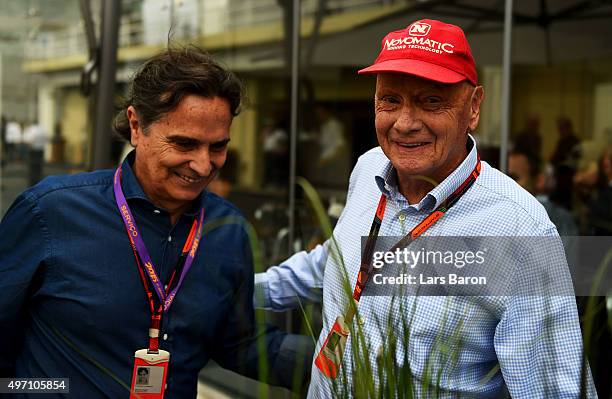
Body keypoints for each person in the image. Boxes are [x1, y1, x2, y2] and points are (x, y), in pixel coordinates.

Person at [255, 19, 596, 397]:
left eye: (430, 101)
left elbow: (554, 391)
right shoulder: (369, 168)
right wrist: (237, 290)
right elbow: (340, 258)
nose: (404, 123)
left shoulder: (521, 228)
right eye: (390, 100)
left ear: (474, 106)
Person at [0, 47, 311, 398]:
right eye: (184, 144)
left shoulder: (228, 230)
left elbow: (238, 343)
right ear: (136, 126)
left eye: (218, 147)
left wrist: (343, 361)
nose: (203, 165)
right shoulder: (49, 212)